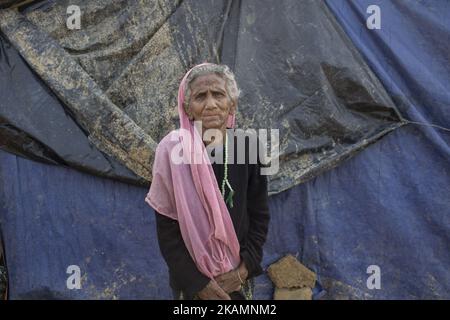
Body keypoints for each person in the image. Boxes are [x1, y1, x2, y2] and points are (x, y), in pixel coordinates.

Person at [145, 63, 270, 300]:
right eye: (201, 96)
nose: (211, 104)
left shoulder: (249, 148)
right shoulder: (172, 152)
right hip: (191, 285)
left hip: (237, 280)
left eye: (219, 95)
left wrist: (243, 270)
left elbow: (259, 216)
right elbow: (167, 231)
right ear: (188, 108)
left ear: (232, 104)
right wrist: (198, 284)